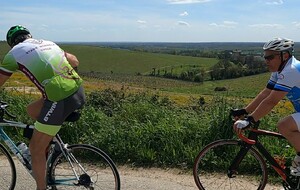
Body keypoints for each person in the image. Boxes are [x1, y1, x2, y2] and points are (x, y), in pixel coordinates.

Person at [0, 25, 85, 190]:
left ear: (12, 43)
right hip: (78, 90)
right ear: (29, 36)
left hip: (59, 100)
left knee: (34, 148)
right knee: (31, 110)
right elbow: (74, 60)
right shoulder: (48, 43)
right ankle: (48, 143)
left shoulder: (14, 54)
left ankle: (41, 185)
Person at [232, 37, 300, 176]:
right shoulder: (279, 70)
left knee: (284, 125)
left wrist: (250, 120)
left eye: (270, 57)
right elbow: (266, 93)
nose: (266, 61)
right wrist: (245, 111)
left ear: (284, 55)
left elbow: (271, 101)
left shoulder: (291, 70)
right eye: (265, 57)